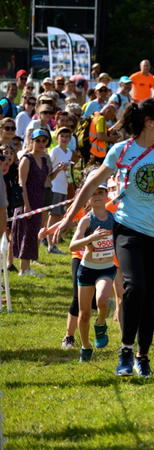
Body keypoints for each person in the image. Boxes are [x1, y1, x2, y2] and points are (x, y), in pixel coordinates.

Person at [54, 98, 154, 378]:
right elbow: (92, 182)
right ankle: (125, 350)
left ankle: (143, 356)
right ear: (149, 122)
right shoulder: (121, 150)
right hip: (128, 229)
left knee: (151, 298)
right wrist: (70, 217)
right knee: (135, 287)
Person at [68, 182, 117, 362]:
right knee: (84, 314)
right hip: (87, 269)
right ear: (88, 197)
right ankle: (85, 347)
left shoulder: (114, 218)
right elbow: (72, 245)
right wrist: (91, 238)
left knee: (103, 300)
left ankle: (101, 323)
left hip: (106, 268)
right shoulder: (87, 220)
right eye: (94, 193)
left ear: (106, 196)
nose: (97, 196)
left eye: (101, 192)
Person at [12, 129, 66, 276]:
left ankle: (28, 267)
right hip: (28, 200)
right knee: (27, 233)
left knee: (34, 233)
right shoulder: (26, 159)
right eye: (38, 140)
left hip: (40, 199)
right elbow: (21, 183)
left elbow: (48, 179)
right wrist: (26, 205)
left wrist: (59, 170)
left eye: (44, 141)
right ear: (32, 141)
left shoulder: (43, 159)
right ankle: (23, 269)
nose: (41, 143)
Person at [46, 126, 75, 254]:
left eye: (67, 136)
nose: (64, 138)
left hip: (63, 187)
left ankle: (53, 243)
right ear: (57, 137)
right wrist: (59, 169)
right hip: (55, 186)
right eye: (62, 136)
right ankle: (50, 244)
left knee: (58, 216)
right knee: (53, 216)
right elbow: (48, 170)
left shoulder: (69, 152)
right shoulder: (55, 151)